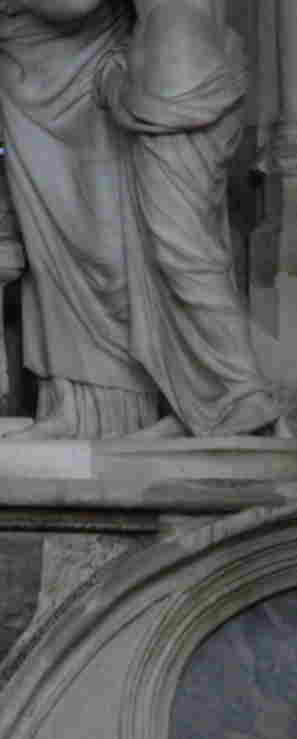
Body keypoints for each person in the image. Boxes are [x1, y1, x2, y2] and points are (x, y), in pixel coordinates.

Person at [0, 0, 280, 440]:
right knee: (171, 255)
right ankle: (204, 405)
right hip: (166, 85)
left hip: (178, 90)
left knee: (183, 253)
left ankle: (240, 398)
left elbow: (77, 4)